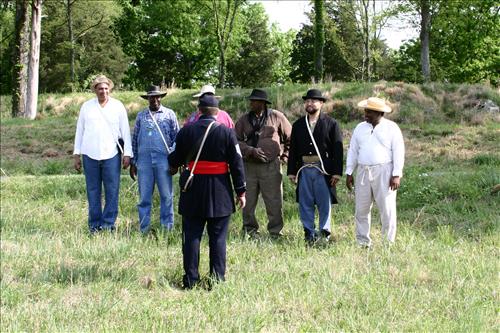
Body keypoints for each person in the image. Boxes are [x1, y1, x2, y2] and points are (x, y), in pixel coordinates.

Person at [168, 94, 246, 289]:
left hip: (193, 190)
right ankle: (216, 280)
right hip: (220, 191)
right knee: (218, 238)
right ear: (217, 112)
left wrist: (173, 158)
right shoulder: (227, 133)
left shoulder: (186, 131)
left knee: (192, 237)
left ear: (199, 111)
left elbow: (174, 160)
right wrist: (241, 191)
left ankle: (191, 280)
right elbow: (237, 164)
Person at [73, 74, 132, 233]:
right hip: (89, 154)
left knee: (112, 191)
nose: (103, 91)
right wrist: (76, 154)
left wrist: (127, 154)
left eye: (106, 88)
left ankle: (108, 225)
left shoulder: (118, 106)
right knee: (93, 191)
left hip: (111, 155)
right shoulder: (86, 106)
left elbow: (125, 131)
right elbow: (80, 130)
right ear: (95, 90)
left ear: (110, 89)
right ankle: (94, 225)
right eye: (100, 89)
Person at [345, 97, 405, 247]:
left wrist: (396, 174)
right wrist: (349, 172)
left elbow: (399, 151)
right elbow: (353, 150)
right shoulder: (359, 128)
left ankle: (388, 243)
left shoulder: (392, 128)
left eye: (369, 111)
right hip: (363, 171)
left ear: (379, 113)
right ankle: (363, 242)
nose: (365, 114)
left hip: (384, 171)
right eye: (365, 110)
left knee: (387, 209)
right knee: (361, 209)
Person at [287, 89, 343, 245]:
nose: (309, 103)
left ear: (321, 103)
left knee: (324, 203)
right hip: (304, 169)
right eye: (307, 101)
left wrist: (337, 173)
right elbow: (293, 150)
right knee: (305, 203)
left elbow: (337, 150)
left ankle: (324, 233)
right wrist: (292, 171)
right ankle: (309, 234)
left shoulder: (331, 124)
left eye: (313, 101)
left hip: (323, 169)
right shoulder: (298, 125)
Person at [234, 88, 291, 238]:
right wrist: (251, 150)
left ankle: (275, 232)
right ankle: (249, 231)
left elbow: (291, 138)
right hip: (249, 166)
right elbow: (235, 141)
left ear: (263, 103)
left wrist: (285, 156)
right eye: (251, 100)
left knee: (274, 201)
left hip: (271, 166)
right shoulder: (243, 120)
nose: (251, 103)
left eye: (254, 101)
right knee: (248, 202)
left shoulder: (277, 117)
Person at [129, 85, 180, 233]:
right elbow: (135, 139)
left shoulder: (169, 114)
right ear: (148, 99)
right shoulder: (141, 116)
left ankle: (167, 229)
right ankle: (144, 229)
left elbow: (177, 138)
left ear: (161, 98)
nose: (154, 100)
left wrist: (175, 162)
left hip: (164, 161)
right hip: (144, 162)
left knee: (166, 196)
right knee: (144, 198)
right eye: (151, 97)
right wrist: (133, 162)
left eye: (157, 97)